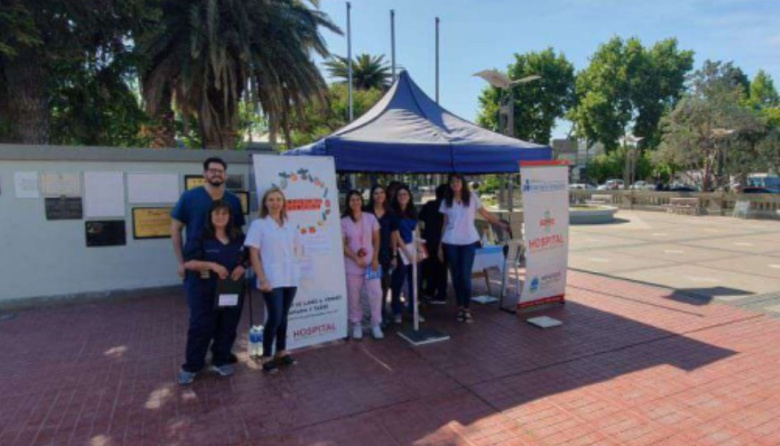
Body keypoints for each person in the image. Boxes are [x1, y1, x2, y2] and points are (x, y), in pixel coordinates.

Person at [178, 200, 247, 385]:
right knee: (201, 327)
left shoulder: (238, 236)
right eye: (217, 213)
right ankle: (192, 366)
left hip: (231, 289)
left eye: (224, 213)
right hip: (204, 289)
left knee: (227, 326)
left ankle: (221, 360)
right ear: (210, 216)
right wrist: (212, 265)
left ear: (230, 217)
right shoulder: (200, 236)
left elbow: (248, 257)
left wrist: (242, 266)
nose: (221, 217)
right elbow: (189, 263)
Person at [245, 187, 302, 374]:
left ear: (283, 202)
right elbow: (253, 253)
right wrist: (262, 279)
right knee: (274, 317)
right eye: (271, 199)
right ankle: (266, 355)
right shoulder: (259, 225)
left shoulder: (290, 224)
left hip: (290, 277)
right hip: (271, 279)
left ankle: (281, 351)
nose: (275, 202)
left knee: (284, 317)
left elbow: (297, 249)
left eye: (278, 199)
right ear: (265, 203)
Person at [439, 173, 509, 323]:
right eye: (452, 181)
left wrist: (501, 224)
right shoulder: (446, 201)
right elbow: (444, 224)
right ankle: (459, 307)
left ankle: (467, 308)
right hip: (450, 242)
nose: (455, 184)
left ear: (462, 183)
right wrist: (440, 246)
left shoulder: (471, 197)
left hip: (468, 242)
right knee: (456, 277)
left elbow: (486, 214)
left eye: (457, 181)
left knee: (465, 275)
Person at [171, 157, 245, 280]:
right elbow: (175, 230)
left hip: (228, 267)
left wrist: (241, 264)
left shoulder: (233, 200)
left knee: (229, 298)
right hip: (197, 263)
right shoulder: (189, 197)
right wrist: (181, 262)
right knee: (200, 298)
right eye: (212, 170)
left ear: (225, 175)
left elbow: (238, 233)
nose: (217, 174)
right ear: (204, 174)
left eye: (220, 171)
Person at [341, 190, 384, 340]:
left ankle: (375, 323)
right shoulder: (344, 221)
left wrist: (375, 259)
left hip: (371, 264)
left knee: (376, 293)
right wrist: (355, 258)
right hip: (352, 265)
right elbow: (343, 244)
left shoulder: (370, 218)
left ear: (362, 201)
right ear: (348, 202)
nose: (355, 202)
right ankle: (356, 323)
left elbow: (377, 240)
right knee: (354, 296)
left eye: (358, 199)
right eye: (352, 200)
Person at [390, 184, 422, 324]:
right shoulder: (393, 213)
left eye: (405, 194)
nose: (403, 197)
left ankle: (414, 310)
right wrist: (406, 253)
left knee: (415, 282)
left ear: (409, 197)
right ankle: (396, 311)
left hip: (414, 249)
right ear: (396, 198)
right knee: (398, 282)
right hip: (401, 251)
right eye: (400, 195)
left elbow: (417, 231)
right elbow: (396, 236)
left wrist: (420, 249)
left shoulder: (413, 212)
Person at [365, 184, 397, 324]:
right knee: (372, 288)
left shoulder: (390, 213)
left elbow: (394, 235)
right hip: (369, 256)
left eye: (381, 193)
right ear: (372, 196)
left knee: (383, 287)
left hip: (385, 255)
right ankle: (372, 315)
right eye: (376, 193)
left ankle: (381, 315)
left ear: (385, 195)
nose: (379, 195)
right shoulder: (366, 212)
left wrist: (395, 255)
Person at [419, 184, 448, 304]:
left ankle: (429, 291)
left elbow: (420, 221)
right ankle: (441, 294)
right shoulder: (449, 206)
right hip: (444, 240)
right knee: (442, 268)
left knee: (429, 267)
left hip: (428, 239)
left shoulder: (429, 205)